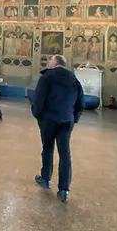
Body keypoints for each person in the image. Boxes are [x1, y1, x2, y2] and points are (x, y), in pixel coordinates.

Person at [31, 55, 84, 203]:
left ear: (55, 62)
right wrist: (74, 118)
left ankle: (46, 179)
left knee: (47, 148)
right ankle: (64, 189)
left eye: (50, 60)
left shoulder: (47, 77)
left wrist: (37, 115)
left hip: (48, 120)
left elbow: (38, 98)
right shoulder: (74, 79)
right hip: (66, 120)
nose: (48, 62)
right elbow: (81, 101)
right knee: (65, 153)